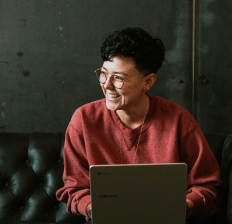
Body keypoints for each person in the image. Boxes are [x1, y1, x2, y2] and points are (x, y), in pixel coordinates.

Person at [56, 27, 223, 223]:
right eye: (103, 73)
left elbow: (209, 189)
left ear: (148, 82)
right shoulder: (84, 120)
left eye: (118, 78)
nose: (107, 85)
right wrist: (95, 209)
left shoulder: (179, 120)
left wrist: (182, 206)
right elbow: (74, 189)